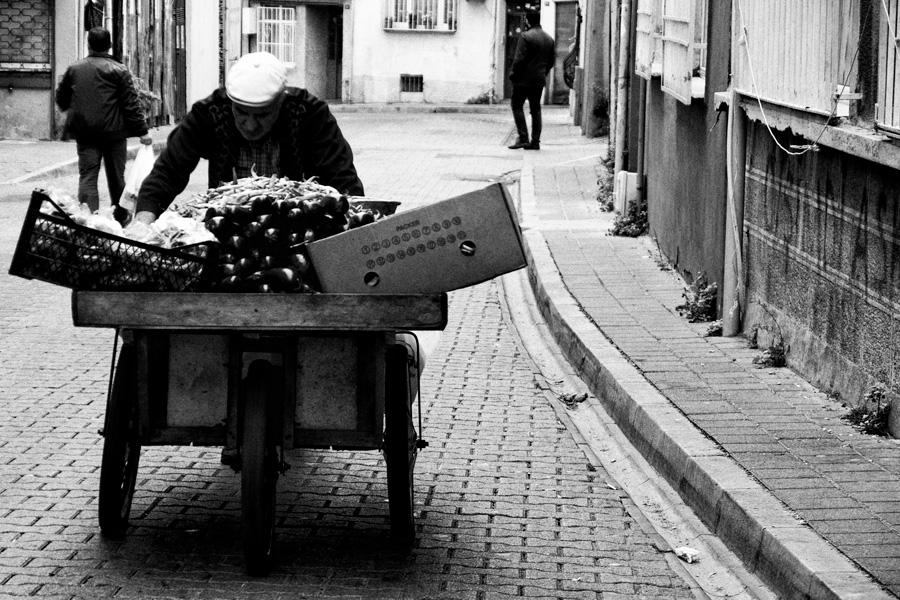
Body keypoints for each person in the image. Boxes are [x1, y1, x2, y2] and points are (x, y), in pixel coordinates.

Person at [133, 51, 363, 224]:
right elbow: (168, 172)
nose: (251, 125)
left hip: (296, 224)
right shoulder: (209, 113)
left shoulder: (310, 113)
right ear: (230, 102)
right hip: (229, 224)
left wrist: (354, 222)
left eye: (263, 114)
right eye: (241, 113)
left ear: (281, 102)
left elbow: (343, 179)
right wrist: (142, 223)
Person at [55, 27, 152, 213]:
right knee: (117, 178)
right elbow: (131, 105)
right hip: (114, 135)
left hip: (85, 132)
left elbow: (62, 98)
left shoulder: (74, 69)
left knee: (88, 176)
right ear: (110, 46)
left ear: (88, 44)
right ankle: (120, 217)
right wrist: (143, 132)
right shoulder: (119, 70)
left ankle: (88, 220)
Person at [507, 12, 556, 151]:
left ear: (528, 21)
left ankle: (523, 138)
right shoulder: (549, 39)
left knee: (517, 105)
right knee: (536, 109)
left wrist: (513, 75)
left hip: (523, 80)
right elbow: (551, 62)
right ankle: (535, 142)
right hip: (538, 80)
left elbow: (519, 59)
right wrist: (542, 73)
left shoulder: (525, 36)